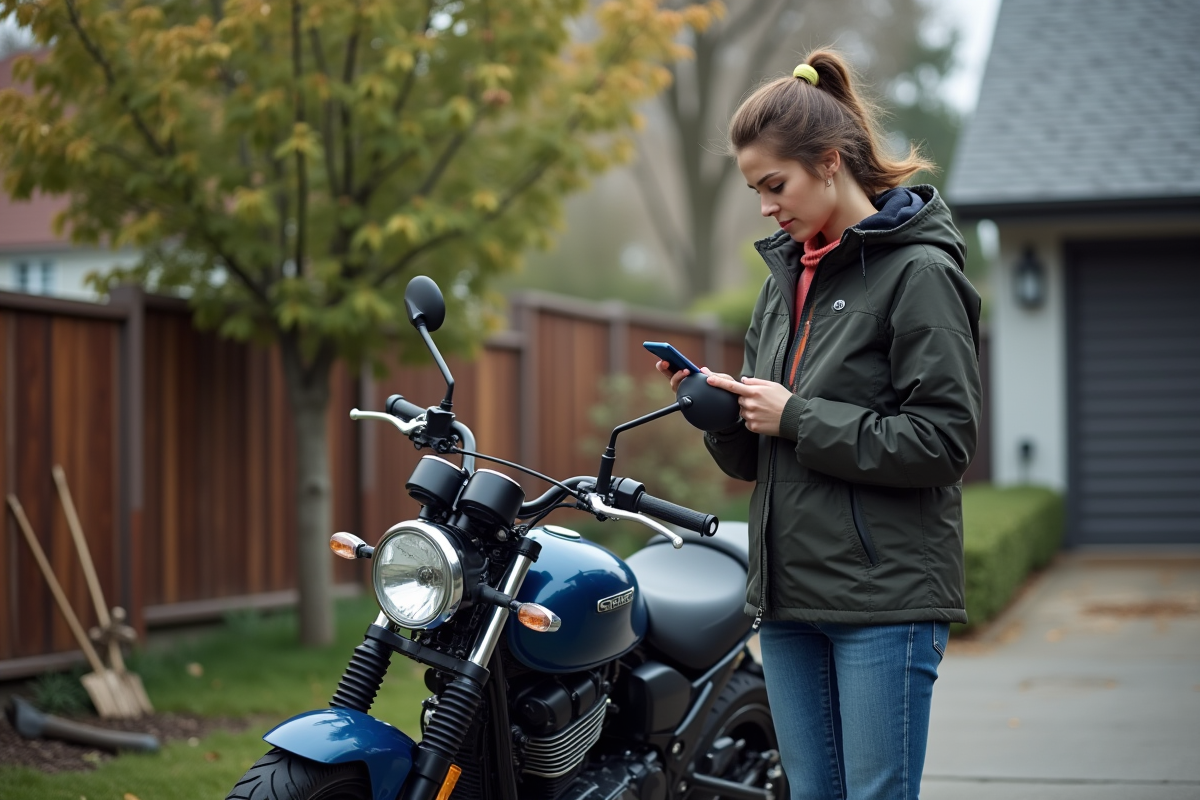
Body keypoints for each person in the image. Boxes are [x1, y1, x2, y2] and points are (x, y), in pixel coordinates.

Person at [656, 49, 982, 800]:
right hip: (791, 599)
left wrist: (797, 416)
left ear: (829, 163)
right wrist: (718, 411)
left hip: (884, 600)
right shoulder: (784, 283)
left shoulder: (921, 275)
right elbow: (754, 459)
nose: (766, 206)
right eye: (755, 191)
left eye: (776, 185)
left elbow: (942, 442)